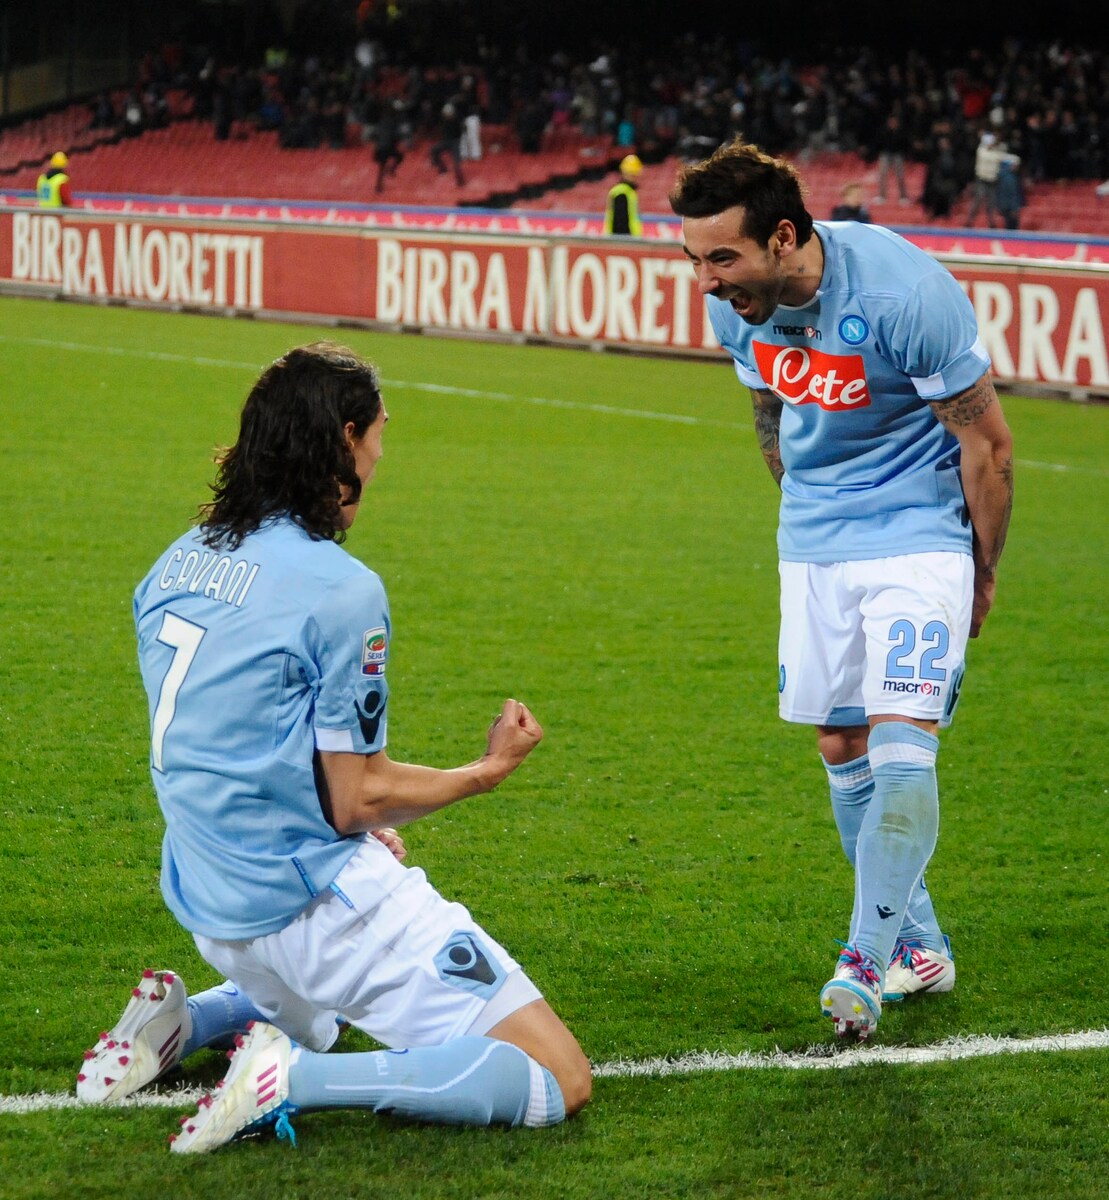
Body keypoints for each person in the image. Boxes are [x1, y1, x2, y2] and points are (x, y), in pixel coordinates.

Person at [76, 342, 591, 1150]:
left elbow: (232, 744)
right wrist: (484, 771)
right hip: (308, 907)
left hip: (209, 894)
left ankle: (186, 1018)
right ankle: (288, 1080)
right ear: (344, 439)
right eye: (380, 434)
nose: (381, 458)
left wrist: (339, 823)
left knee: (320, 1010)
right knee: (554, 1075)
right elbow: (358, 798)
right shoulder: (340, 589)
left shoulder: (175, 561)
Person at [670, 140, 1013, 1040]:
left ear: (784, 237)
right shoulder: (735, 307)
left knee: (903, 740)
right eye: (693, 259)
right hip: (815, 539)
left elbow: (987, 446)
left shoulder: (901, 294)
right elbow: (769, 414)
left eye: (721, 257)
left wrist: (977, 573)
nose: (705, 280)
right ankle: (920, 946)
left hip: (918, 534)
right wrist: (802, 521)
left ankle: (862, 961)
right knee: (839, 741)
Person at [966, 131, 1006, 229]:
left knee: (992, 202)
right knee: (978, 199)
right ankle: (969, 221)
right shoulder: (981, 151)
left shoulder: (997, 151)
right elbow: (994, 158)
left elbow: (1003, 158)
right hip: (982, 179)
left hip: (992, 180)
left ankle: (992, 223)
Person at [604, 153, 644, 236]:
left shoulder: (628, 191)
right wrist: (626, 240)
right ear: (624, 173)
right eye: (632, 174)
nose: (635, 177)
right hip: (626, 238)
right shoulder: (622, 192)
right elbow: (620, 221)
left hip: (629, 238)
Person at [995, 155, 1025, 230]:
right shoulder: (1009, 178)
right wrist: (1014, 209)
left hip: (1005, 206)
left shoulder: (1003, 176)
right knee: (1011, 227)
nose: (1017, 167)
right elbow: (1013, 194)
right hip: (1009, 208)